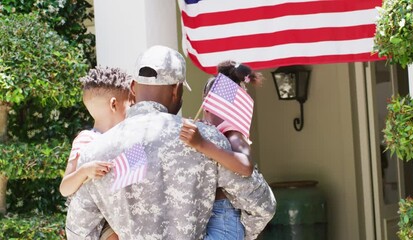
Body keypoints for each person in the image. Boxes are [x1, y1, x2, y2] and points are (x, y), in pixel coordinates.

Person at [65, 45, 276, 240]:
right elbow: (262, 205)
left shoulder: (95, 153)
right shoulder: (204, 139)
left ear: (133, 87)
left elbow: (79, 230)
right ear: (176, 89)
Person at [180, 61, 266, 240]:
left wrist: (201, 143)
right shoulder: (209, 129)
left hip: (224, 214)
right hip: (208, 211)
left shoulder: (232, 133)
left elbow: (246, 166)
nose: (207, 110)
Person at [60, 66, 133, 240]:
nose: (133, 109)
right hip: (91, 225)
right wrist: (85, 170)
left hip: (115, 215)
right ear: (114, 104)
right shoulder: (86, 140)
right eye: (130, 103)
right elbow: (65, 188)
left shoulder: (126, 139)